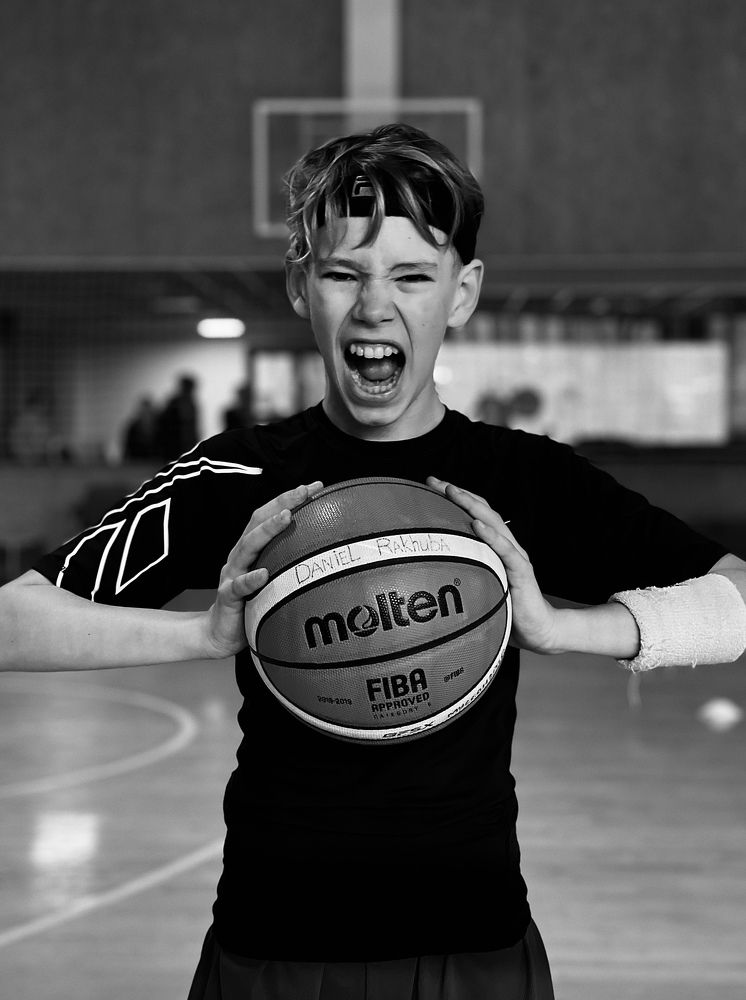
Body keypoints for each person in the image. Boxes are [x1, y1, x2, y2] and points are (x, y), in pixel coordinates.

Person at [1, 123, 745, 1000]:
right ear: (300, 286)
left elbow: (736, 597)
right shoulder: (235, 475)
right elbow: (13, 620)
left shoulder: (527, 479)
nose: (374, 308)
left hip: (473, 943)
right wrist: (203, 635)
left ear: (463, 293)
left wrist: (565, 628)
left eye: (412, 276)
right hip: (272, 943)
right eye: (343, 273)